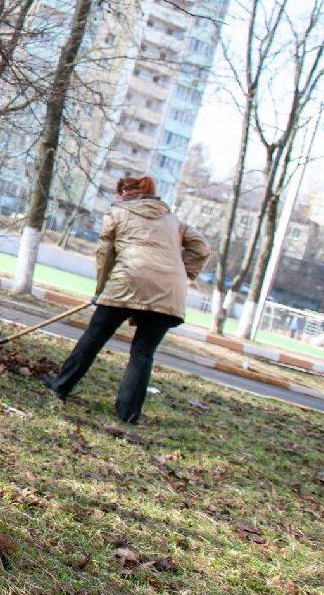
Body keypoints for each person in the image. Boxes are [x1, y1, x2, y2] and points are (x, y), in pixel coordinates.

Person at [43, 176, 211, 423]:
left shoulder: (117, 213)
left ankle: (61, 385)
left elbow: (105, 255)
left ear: (125, 195)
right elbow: (202, 249)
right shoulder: (173, 220)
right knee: (143, 352)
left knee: (94, 336)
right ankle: (129, 413)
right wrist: (181, 274)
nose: (116, 198)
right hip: (169, 292)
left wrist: (101, 290)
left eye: (118, 193)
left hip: (127, 281)